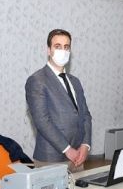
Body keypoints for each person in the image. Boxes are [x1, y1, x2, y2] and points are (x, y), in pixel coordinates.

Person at [25, 29, 92, 171]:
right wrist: (67, 149)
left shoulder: (75, 82)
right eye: (58, 46)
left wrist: (85, 145)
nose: (63, 51)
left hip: (78, 156)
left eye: (66, 47)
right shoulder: (37, 80)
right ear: (49, 50)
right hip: (51, 159)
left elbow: (85, 115)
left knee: (81, 187)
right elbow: (42, 121)